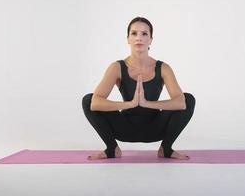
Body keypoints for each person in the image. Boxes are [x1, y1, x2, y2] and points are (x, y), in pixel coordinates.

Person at [82, 17, 196, 160]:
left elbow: (181, 103)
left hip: (155, 128)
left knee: (189, 99)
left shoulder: (163, 68)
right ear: (128, 39)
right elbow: (95, 103)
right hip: (125, 128)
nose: (139, 38)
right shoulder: (117, 67)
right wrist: (130, 104)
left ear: (151, 39)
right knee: (87, 100)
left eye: (144, 34)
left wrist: (146, 103)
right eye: (134, 33)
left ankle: (166, 149)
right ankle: (112, 149)